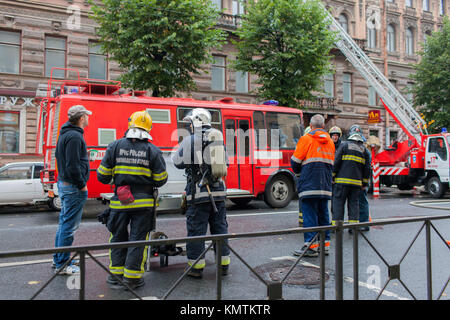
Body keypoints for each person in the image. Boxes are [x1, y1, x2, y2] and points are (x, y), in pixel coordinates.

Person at [97, 110, 168, 290]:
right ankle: (133, 278)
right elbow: (161, 179)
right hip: (144, 204)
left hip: (119, 202)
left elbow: (102, 176)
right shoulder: (153, 150)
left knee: (117, 237)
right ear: (149, 128)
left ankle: (115, 276)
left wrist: (117, 176)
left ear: (131, 124)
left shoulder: (114, 146)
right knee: (138, 239)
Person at [172, 108, 230, 279]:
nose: (189, 126)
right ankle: (223, 266)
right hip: (218, 193)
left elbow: (177, 162)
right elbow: (225, 163)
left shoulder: (191, 139)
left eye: (191, 122)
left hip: (198, 195)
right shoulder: (217, 137)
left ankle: (196, 268)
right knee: (220, 229)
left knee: (196, 232)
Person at [53, 105, 91, 275]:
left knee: (64, 224)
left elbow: (59, 157)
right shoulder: (75, 136)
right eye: (87, 116)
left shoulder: (65, 134)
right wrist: (82, 184)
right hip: (73, 187)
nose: (89, 118)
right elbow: (72, 165)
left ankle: (60, 258)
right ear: (81, 118)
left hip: (65, 184)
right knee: (69, 226)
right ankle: (62, 264)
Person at [291, 114, 335, 257]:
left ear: (310, 126)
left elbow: (295, 162)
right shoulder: (330, 142)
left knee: (309, 214)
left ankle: (311, 246)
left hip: (309, 182)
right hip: (325, 183)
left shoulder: (306, 139)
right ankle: (325, 245)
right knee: (323, 213)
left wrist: (299, 171)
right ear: (323, 126)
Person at [331, 124, 371, 232]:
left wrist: (333, 177)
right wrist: (364, 184)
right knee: (354, 205)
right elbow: (367, 169)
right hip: (356, 185)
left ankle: (337, 228)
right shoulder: (364, 150)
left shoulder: (344, 146)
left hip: (341, 183)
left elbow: (336, 162)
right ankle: (353, 228)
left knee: (338, 203)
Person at [298, 125, 311, 227]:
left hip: (304, 176)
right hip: (309, 177)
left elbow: (296, 161)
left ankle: (303, 221)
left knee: (304, 199)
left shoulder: (302, 143)